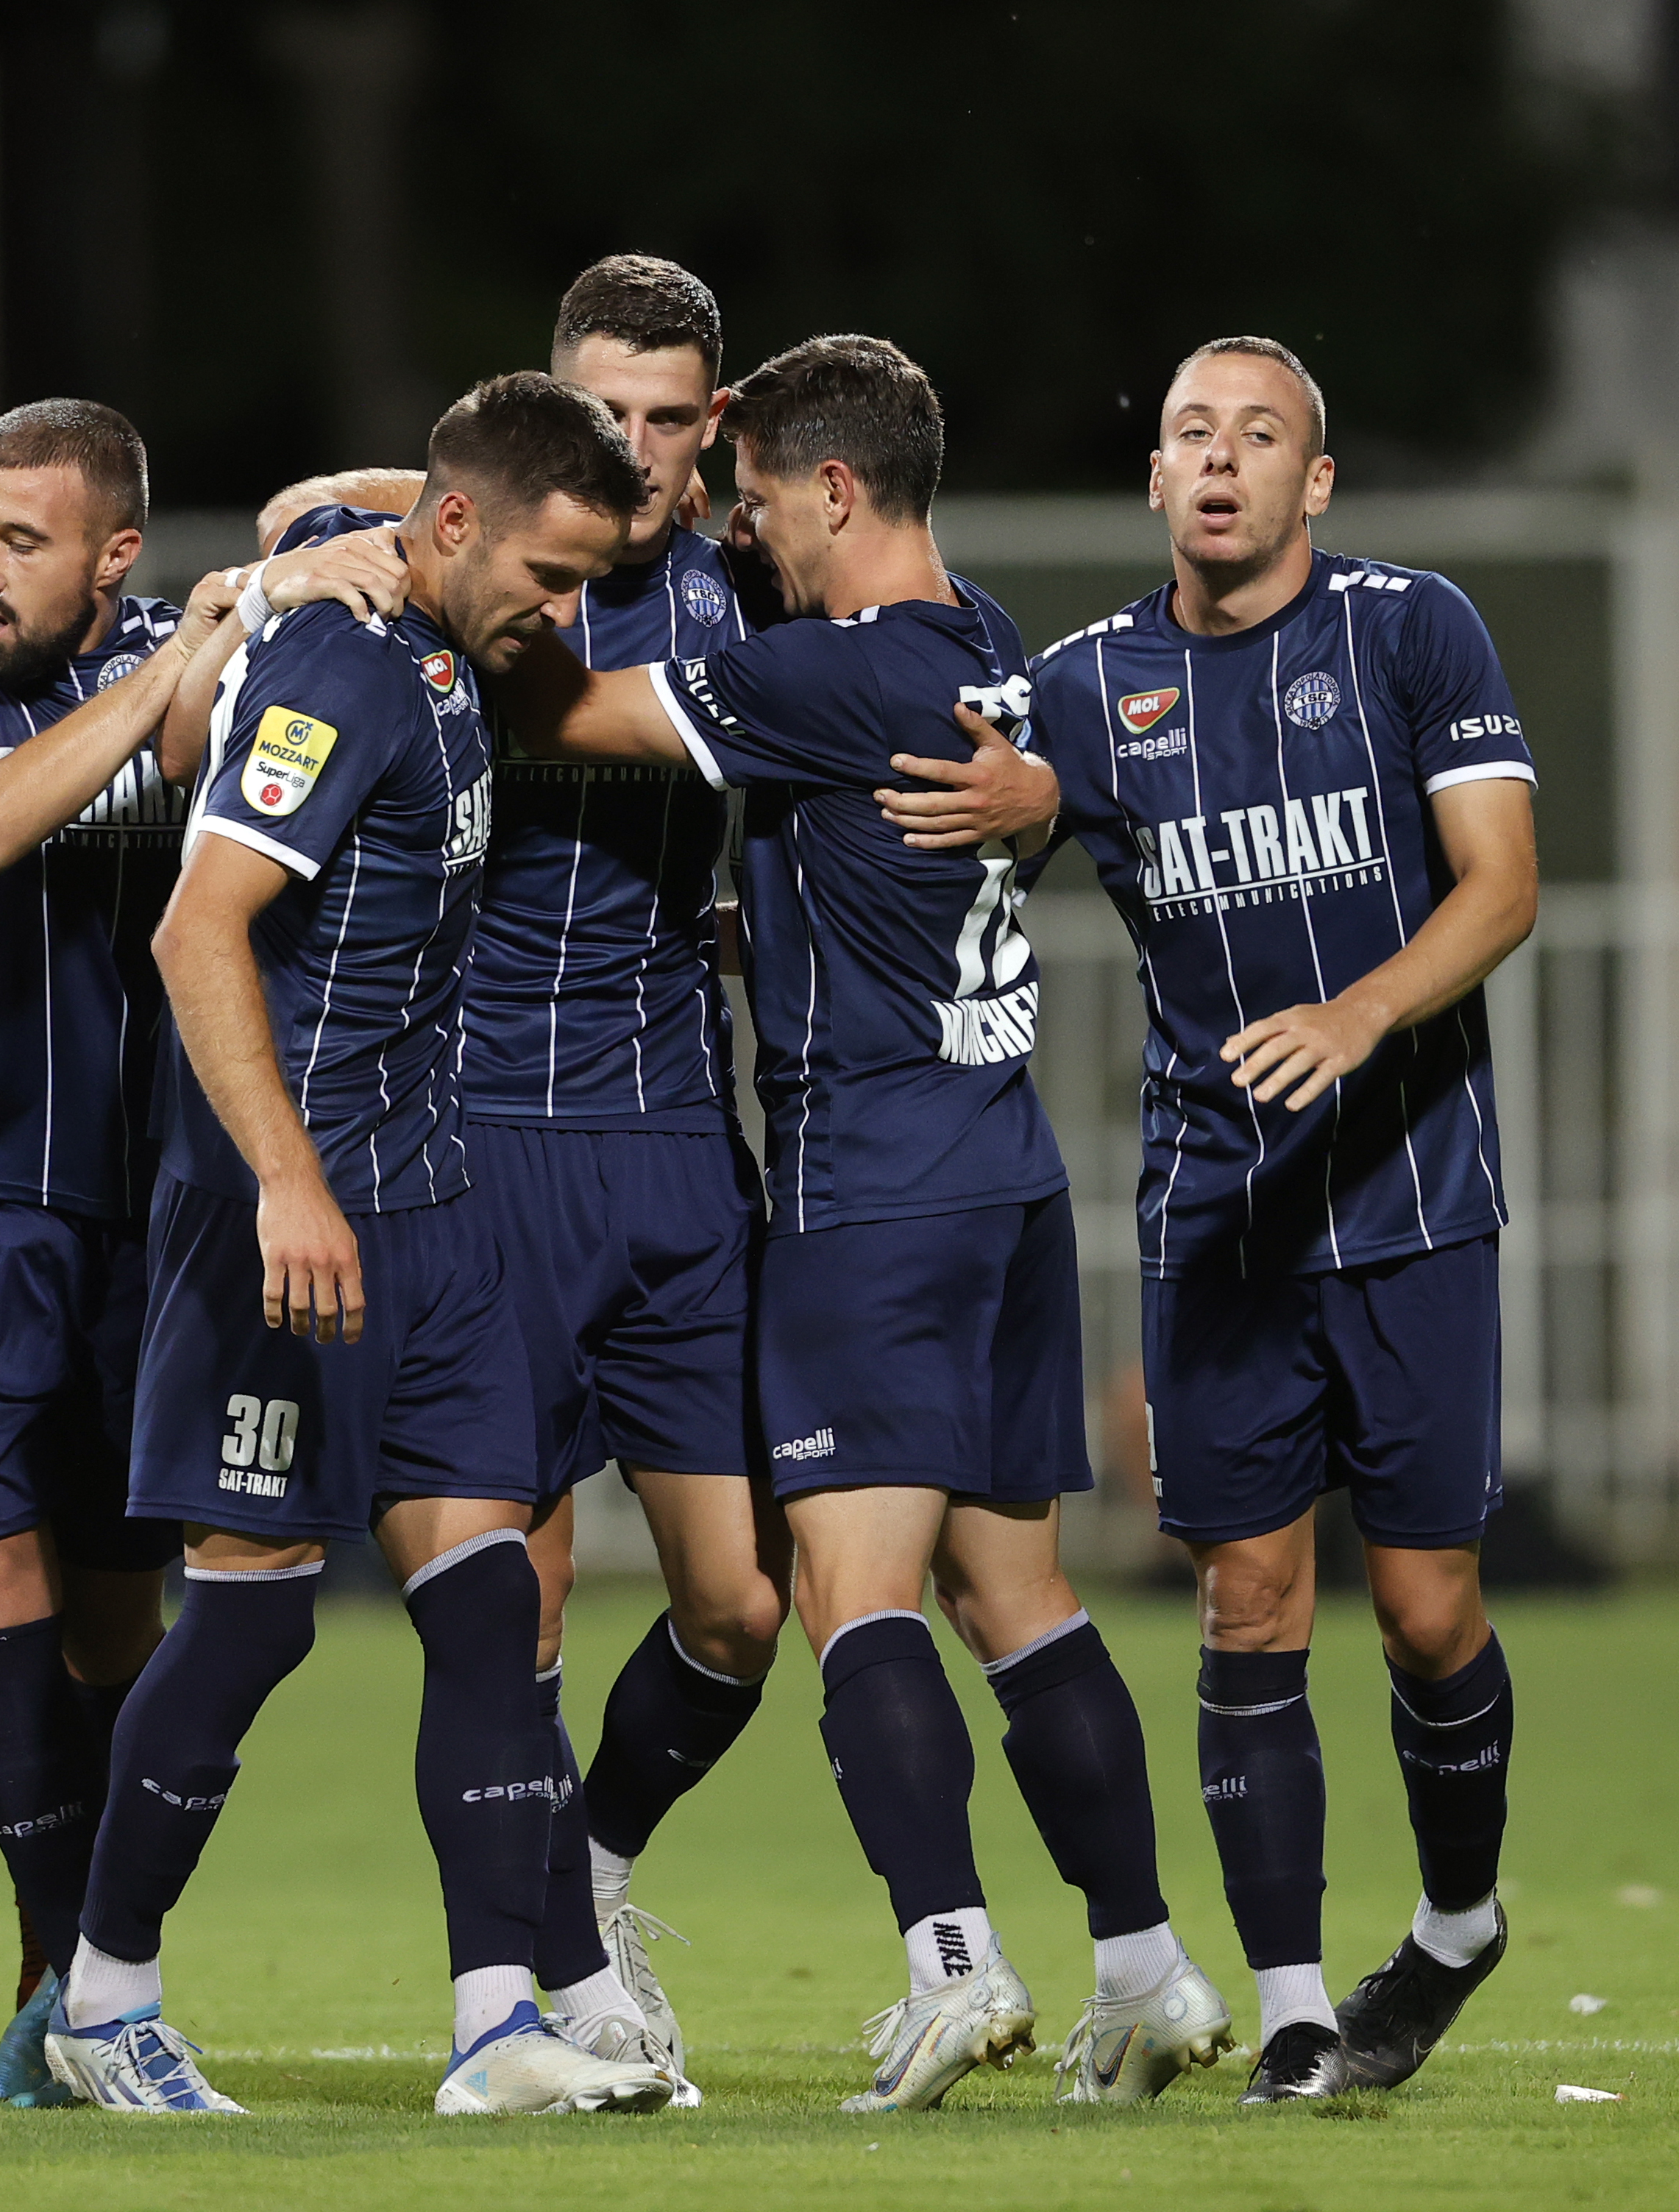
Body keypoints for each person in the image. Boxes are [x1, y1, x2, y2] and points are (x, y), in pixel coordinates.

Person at [491, 333, 1232, 2113]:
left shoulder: (821, 674)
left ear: (835, 489)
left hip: (864, 1184)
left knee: (844, 1588)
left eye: (757, 502)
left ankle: (947, 1959)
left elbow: (558, 716)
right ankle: (1141, 1965)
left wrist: (418, 558)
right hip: (1000, 1172)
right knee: (1019, 1590)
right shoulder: (988, 640)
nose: (743, 532)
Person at [881, 335, 1538, 2103]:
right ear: (1154, 482)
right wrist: (1012, 807)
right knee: (1248, 1598)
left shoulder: (1410, 630)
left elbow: (1500, 885)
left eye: (1259, 435)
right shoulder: (1083, 686)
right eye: (1190, 433)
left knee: (1419, 1610)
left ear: (1312, 484)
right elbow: (923, 816)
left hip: (1408, 1199)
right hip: (1213, 1221)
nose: (1222, 459)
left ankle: (1458, 1920)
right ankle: (1300, 2004)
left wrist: (1355, 1013)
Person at [41, 373, 672, 2119]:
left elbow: (316, 512)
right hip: (282, 1220)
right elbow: (194, 930)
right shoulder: (341, 667)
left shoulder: (398, 586)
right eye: (546, 575)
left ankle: (491, 2030)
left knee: (488, 1614)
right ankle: (102, 1997)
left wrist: (328, 542)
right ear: (458, 530)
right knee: (247, 1625)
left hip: (430, 1204)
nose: (565, 618)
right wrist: (283, 1181)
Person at [0, 397, 396, 2105]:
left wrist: (314, 555)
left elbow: (218, 761)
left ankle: (66, 1961)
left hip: (132, 1211)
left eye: (22, 540)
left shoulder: (183, 651)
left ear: (112, 554)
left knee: (115, 1625)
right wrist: (181, 660)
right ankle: (76, 1975)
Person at [242, 255, 779, 2099]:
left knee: (735, 1607)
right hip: (472, 1134)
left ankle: (587, 1868)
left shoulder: (735, 594)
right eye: (598, 413)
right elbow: (318, 519)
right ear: (544, 411)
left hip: (665, 1129)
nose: (629, 452)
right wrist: (298, 545)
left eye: (662, 419)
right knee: (508, 1606)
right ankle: (535, 1979)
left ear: (710, 436)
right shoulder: (443, 569)